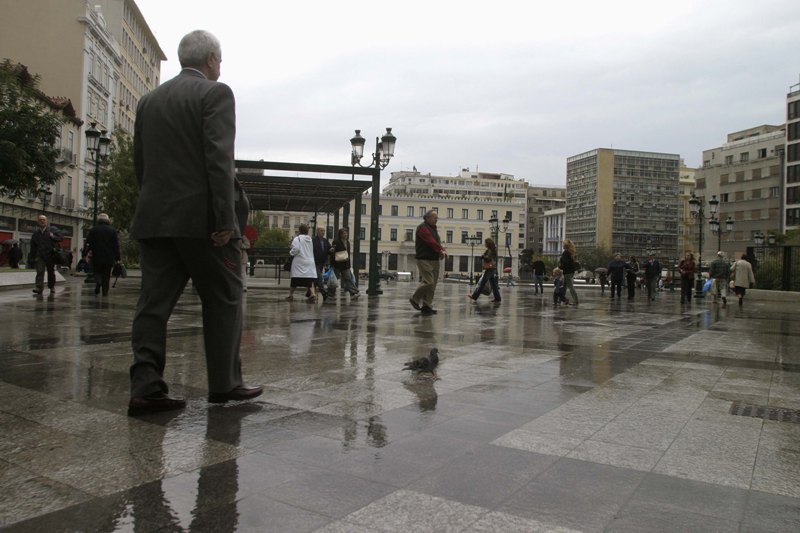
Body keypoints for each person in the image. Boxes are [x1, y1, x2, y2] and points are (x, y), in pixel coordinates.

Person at [128, 30, 262, 417]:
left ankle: (146, 388)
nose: (220, 66)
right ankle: (225, 384)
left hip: (156, 219)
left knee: (153, 306)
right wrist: (224, 219)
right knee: (224, 298)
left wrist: (153, 207)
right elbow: (219, 159)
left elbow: (142, 164)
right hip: (204, 224)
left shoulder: (148, 101)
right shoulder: (215, 94)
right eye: (220, 60)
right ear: (211, 61)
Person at [410, 210, 447, 315]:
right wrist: (441, 250)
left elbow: (437, 243)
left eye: (437, 218)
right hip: (424, 259)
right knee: (429, 282)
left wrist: (442, 250)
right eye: (434, 218)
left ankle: (427, 306)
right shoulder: (422, 228)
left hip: (434, 259)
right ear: (427, 218)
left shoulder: (433, 229)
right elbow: (431, 242)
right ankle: (414, 298)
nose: (436, 220)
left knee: (433, 285)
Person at [85, 213, 120, 296]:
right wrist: (118, 257)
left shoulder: (94, 230)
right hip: (108, 257)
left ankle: (98, 281)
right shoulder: (112, 231)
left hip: (96, 256)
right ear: (108, 220)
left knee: (97, 271)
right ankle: (105, 292)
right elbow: (116, 245)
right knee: (106, 275)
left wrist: (84, 253)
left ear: (98, 220)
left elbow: (88, 243)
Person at [29, 214, 63, 294]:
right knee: (40, 271)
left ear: (46, 221)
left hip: (50, 255)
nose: (42, 221)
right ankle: (39, 287)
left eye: (43, 220)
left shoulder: (52, 230)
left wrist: (53, 236)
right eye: (40, 220)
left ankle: (52, 286)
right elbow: (33, 247)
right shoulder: (35, 233)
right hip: (40, 256)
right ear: (38, 222)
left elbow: (61, 238)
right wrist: (31, 258)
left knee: (51, 272)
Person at [287, 223, 318, 302]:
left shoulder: (297, 239)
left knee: (295, 280)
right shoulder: (310, 239)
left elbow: (296, 249)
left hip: (300, 261)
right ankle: (313, 294)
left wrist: (291, 252)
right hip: (309, 261)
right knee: (309, 280)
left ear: (299, 230)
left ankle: (290, 295)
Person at [467, 237, 501, 303]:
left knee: (482, 283)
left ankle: (474, 296)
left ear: (488, 244)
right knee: (494, 285)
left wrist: (483, 256)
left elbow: (488, 258)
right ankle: (498, 298)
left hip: (489, 269)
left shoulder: (490, 250)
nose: (484, 244)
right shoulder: (492, 250)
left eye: (485, 243)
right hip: (492, 268)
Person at [329, 228, 359, 300]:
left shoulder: (347, 242)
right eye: (344, 233)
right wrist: (333, 262)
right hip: (337, 264)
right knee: (334, 280)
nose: (346, 234)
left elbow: (347, 254)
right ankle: (330, 294)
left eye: (346, 233)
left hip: (345, 264)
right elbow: (332, 252)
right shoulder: (336, 242)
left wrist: (349, 264)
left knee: (348, 278)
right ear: (340, 234)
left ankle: (353, 293)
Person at [312, 226, 331, 301]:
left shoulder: (325, 241)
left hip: (322, 262)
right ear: (317, 231)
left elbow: (329, 249)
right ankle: (323, 290)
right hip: (314, 261)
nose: (323, 232)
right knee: (319, 275)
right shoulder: (313, 240)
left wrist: (331, 250)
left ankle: (309, 292)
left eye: (324, 231)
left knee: (316, 277)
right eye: (321, 230)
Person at [558, 239, 578, 306]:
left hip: (567, 272)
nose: (562, 245)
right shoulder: (571, 252)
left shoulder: (566, 253)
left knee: (570, 286)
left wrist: (560, 267)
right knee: (564, 286)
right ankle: (562, 299)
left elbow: (565, 263)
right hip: (571, 271)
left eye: (563, 244)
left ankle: (576, 300)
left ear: (566, 246)